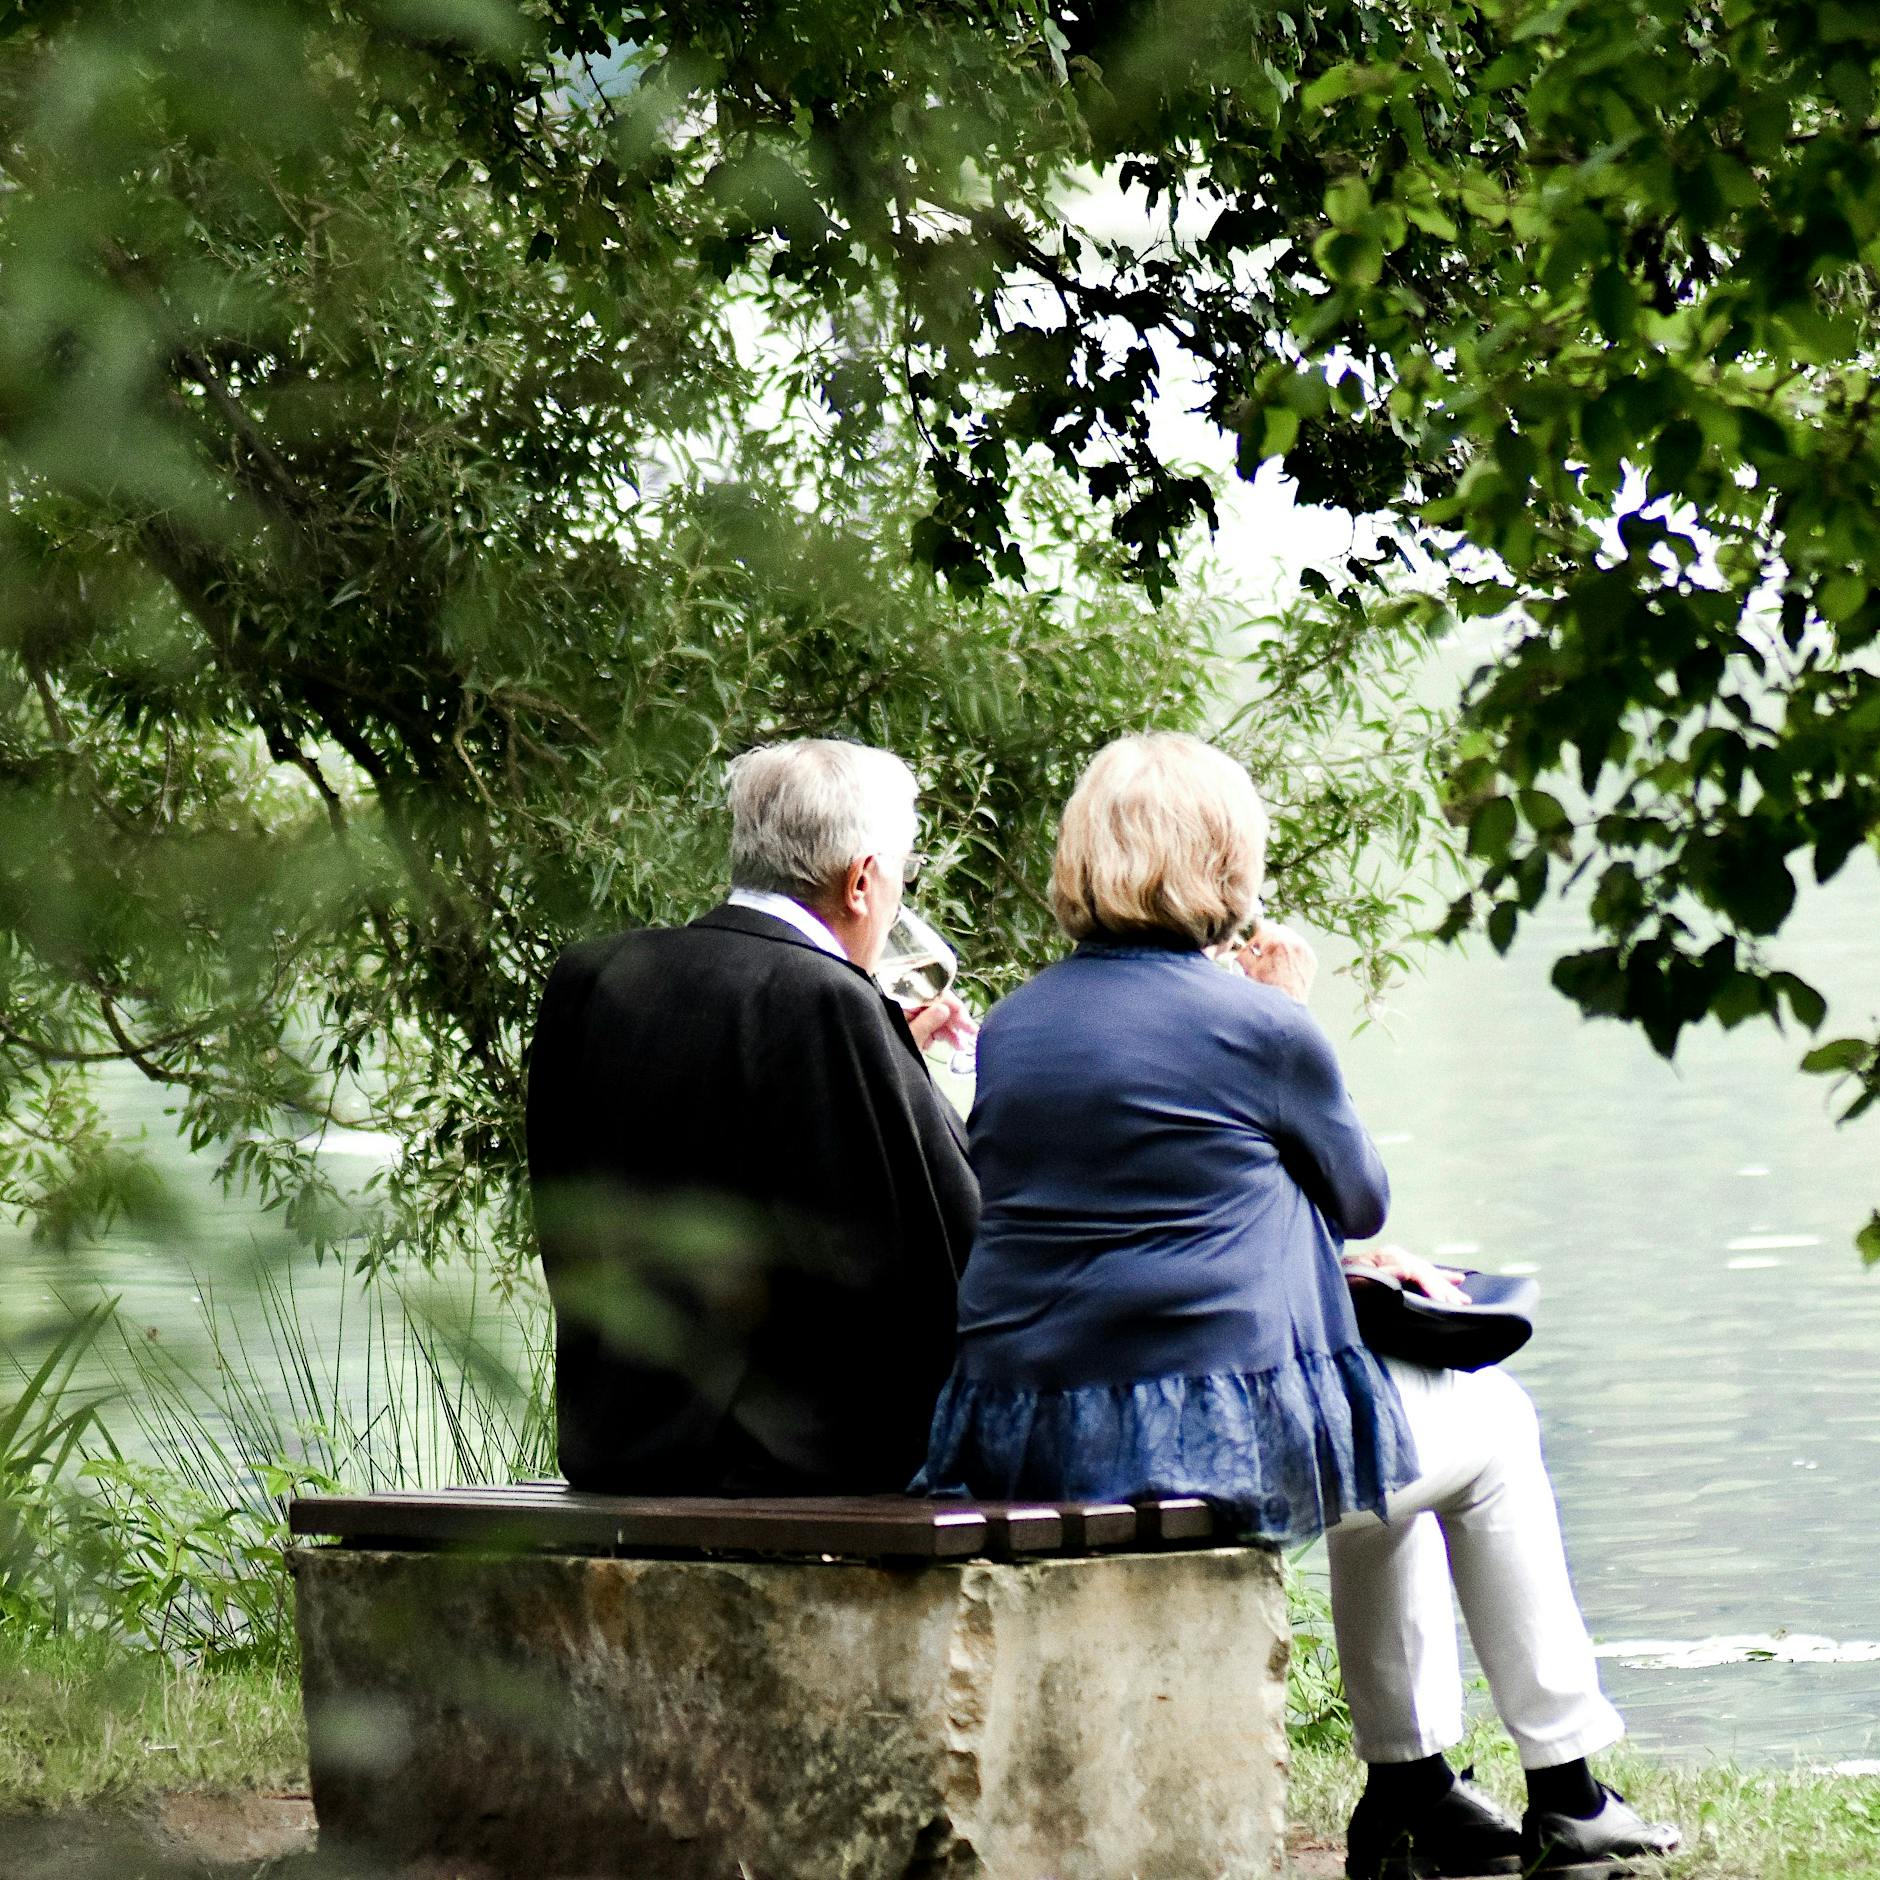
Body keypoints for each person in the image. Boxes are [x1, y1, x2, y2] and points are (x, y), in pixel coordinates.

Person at [915, 732, 1680, 1880]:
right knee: (1493, 1426)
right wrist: (1287, 1010)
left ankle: (1413, 1786)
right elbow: (1360, 1197)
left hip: (1031, 1426)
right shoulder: (1257, 1026)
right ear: (1222, 856)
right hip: (1196, 1439)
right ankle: (1566, 1785)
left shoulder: (1017, 1024)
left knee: (1397, 1444)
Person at [527, 738, 979, 1497]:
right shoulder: (828, 1001)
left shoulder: (591, 976)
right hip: (787, 1468)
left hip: (613, 1446)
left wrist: (891, 1052)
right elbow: (943, 1246)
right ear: (863, 881)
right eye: (901, 875)